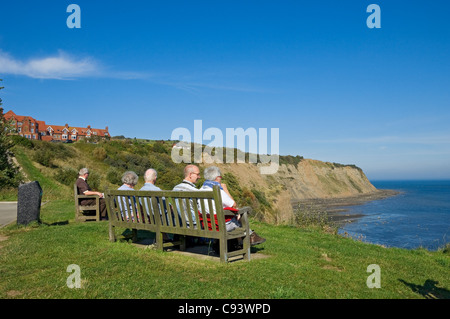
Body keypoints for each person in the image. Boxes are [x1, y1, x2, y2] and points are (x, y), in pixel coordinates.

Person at [200, 166, 266, 246]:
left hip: (207, 224)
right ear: (217, 178)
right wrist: (225, 189)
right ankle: (250, 237)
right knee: (239, 216)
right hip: (220, 226)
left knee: (235, 217)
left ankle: (241, 241)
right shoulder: (218, 191)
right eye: (220, 177)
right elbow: (233, 204)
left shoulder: (200, 190)